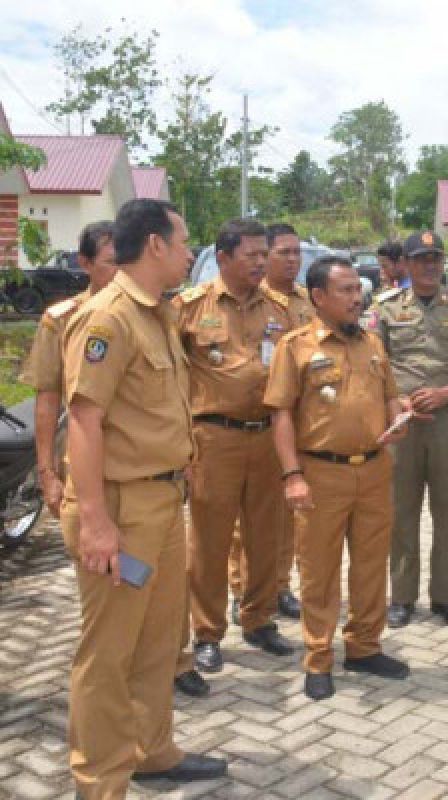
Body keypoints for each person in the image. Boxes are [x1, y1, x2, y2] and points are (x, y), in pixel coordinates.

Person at [59, 198, 227, 796]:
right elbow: (84, 420)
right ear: (155, 244)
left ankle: (151, 752)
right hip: (121, 511)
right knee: (108, 655)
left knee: (159, 644)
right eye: (183, 242)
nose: (189, 254)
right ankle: (100, 783)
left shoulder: (157, 313)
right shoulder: (108, 319)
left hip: (160, 503)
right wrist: (97, 523)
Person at [264, 255, 414, 701]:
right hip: (319, 474)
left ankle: (365, 646)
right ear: (319, 297)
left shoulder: (372, 343)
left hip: (372, 470)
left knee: (370, 566)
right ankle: (318, 656)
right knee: (319, 571)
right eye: (346, 290)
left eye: (357, 289)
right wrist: (292, 475)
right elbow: (281, 415)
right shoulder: (295, 347)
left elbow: (390, 396)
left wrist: (398, 417)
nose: (357, 297)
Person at [177, 219, 296, 677]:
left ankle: (259, 619)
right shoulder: (189, 308)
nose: (261, 262)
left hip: (268, 436)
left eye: (264, 254)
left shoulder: (282, 309)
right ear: (223, 257)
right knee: (208, 540)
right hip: (213, 438)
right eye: (251, 255)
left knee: (267, 535)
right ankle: (207, 632)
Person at [373, 231, 448, 628]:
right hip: (402, 420)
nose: (430, 265)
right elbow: (375, 362)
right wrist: (399, 401)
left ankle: (447, 597)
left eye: (436, 258)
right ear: (405, 263)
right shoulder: (385, 308)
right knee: (401, 511)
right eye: (421, 258)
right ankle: (402, 597)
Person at [227, 222, 313, 623]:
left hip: (292, 423)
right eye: (283, 252)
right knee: (245, 521)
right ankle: (238, 586)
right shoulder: (255, 300)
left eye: (297, 252)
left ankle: (279, 585)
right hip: (250, 420)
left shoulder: (305, 301)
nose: (291, 260)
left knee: (285, 515)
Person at [26, 221, 117, 519]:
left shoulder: (153, 316)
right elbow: (48, 399)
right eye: (111, 263)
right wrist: (48, 473)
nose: (121, 272)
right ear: (85, 263)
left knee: (143, 562)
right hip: (84, 459)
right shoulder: (63, 320)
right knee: (95, 554)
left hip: (142, 466)